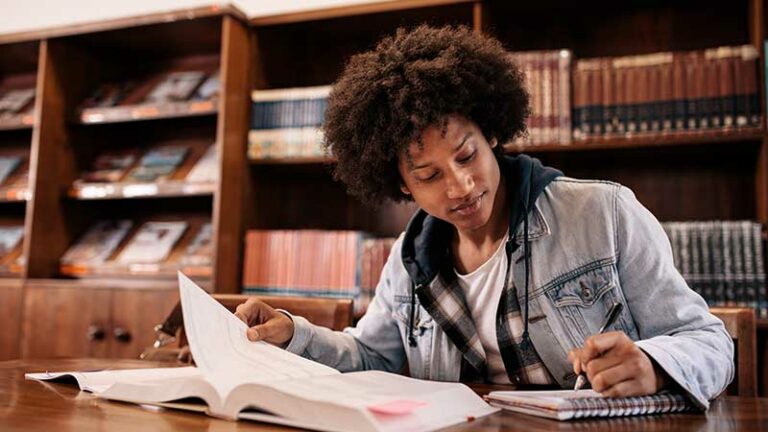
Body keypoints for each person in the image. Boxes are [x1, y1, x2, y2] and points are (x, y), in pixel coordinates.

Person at [234, 25, 733, 409]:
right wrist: (292, 333)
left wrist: (653, 365)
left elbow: (710, 343)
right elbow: (373, 357)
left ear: (492, 134)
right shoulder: (410, 258)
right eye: (429, 176)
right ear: (402, 185)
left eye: (467, 155)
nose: (461, 186)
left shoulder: (604, 213)